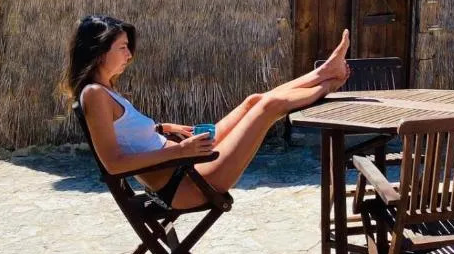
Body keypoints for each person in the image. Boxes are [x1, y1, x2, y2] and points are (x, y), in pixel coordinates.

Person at [65, 15, 350, 209]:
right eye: (123, 48)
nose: (129, 55)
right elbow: (114, 164)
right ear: (99, 51)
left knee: (252, 101)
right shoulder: (95, 94)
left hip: (186, 166)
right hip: (187, 185)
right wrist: (179, 151)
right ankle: (329, 83)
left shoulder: (105, 90)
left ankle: (323, 72)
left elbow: (125, 133)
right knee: (267, 108)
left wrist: (162, 129)